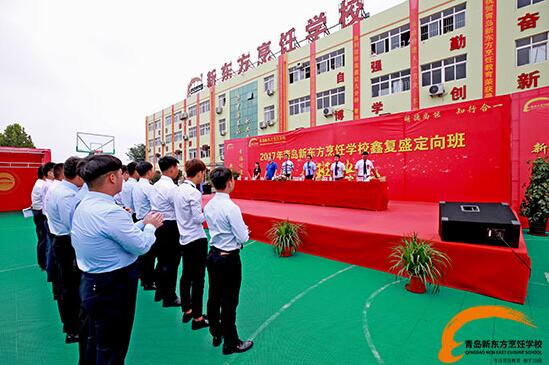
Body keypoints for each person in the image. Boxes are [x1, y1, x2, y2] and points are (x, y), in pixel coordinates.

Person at [71, 155, 163, 365]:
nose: (124, 177)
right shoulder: (110, 212)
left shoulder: (85, 204)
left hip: (92, 283)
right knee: (112, 348)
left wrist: (141, 223)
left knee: (92, 341)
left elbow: (118, 234)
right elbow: (140, 245)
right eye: (121, 174)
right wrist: (150, 226)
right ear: (112, 178)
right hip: (112, 288)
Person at [204, 167, 253, 355]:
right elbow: (242, 237)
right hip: (228, 258)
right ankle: (231, 343)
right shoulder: (231, 208)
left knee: (214, 296)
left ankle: (217, 333)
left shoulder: (209, 205)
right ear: (230, 182)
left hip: (214, 255)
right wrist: (245, 232)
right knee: (230, 301)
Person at [46, 156, 84, 344]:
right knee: (70, 287)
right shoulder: (66, 196)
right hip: (67, 242)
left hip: (61, 240)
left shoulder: (59, 188)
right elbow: (73, 226)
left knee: (67, 284)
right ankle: (72, 327)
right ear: (77, 174)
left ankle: (70, 324)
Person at [173, 159, 209, 330]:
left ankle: (187, 310)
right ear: (200, 173)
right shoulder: (194, 193)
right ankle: (198, 317)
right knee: (198, 279)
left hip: (184, 238)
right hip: (196, 239)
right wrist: (209, 212)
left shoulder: (179, 189)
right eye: (203, 173)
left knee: (186, 276)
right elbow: (197, 219)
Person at [150, 156, 181, 307]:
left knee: (162, 260)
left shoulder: (155, 185)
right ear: (171, 169)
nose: (177, 170)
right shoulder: (172, 188)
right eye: (176, 167)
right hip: (170, 225)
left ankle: (160, 292)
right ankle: (170, 297)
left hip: (157, 223)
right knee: (171, 262)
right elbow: (179, 207)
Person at [132, 161, 157, 291]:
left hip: (140, 219)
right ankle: (149, 281)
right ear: (148, 172)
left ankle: (144, 278)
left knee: (144, 255)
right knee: (149, 254)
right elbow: (155, 203)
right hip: (148, 221)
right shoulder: (148, 187)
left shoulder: (137, 185)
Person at [31, 165, 48, 270]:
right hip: (41, 213)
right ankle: (43, 262)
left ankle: (42, 262)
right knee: (43, 238)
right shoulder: (43, 185)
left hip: (38, 212)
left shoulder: (39, 183)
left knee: (42, 238)